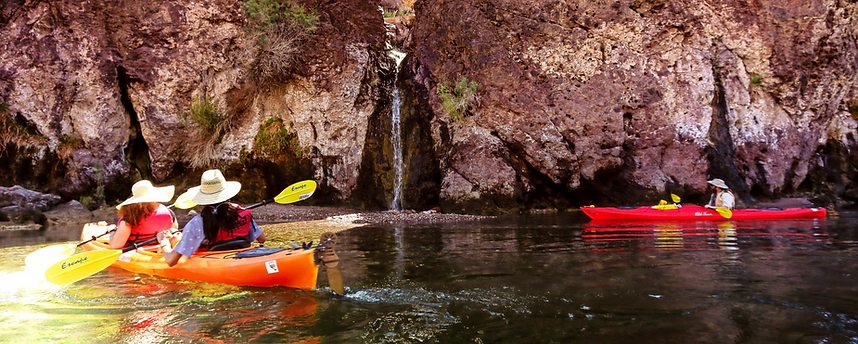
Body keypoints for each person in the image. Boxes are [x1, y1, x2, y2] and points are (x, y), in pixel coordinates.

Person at [156, 169, 266, 267]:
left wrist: (164, 241)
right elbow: (262, 239)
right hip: (243, 260)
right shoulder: (240, 212)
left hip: (214, 264)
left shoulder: (196, 223)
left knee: (176, 238)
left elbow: (171, 261)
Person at [109, 180, 178, 249]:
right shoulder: (169, 212)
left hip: (136, 251)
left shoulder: (130, 218)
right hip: (160, 248)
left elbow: (116, 245)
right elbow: (174, 232)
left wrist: (112, 231)